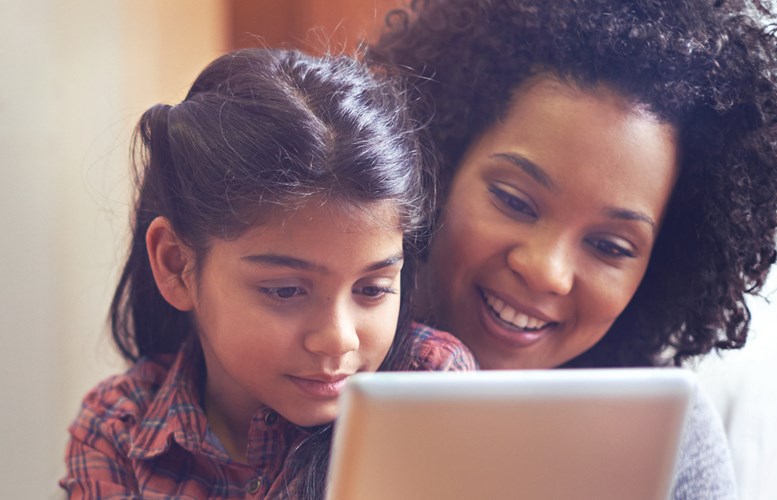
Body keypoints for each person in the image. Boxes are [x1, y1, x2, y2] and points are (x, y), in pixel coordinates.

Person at [368, 0, 777, 497]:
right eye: (515, 201)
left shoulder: (669, 442)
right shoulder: (308, 368)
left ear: (660, 267)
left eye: (609, 245)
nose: (547, 271)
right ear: (436, 166)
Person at [58, 48, 475, 499]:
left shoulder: (431, 387)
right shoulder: (118, 431)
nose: (339, 339)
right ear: (177, 265)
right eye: (286, 291)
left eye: (372, 289)